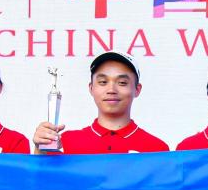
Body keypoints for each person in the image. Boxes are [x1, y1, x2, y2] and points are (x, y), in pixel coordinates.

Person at [33, 51, 169, 154]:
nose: (111, 90)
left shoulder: (157, 149)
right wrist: (41, 149)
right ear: (91, 88)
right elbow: (41, 180)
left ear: (137, 89)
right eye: (103, 82)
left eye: (122, 83)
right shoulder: (66, 143)